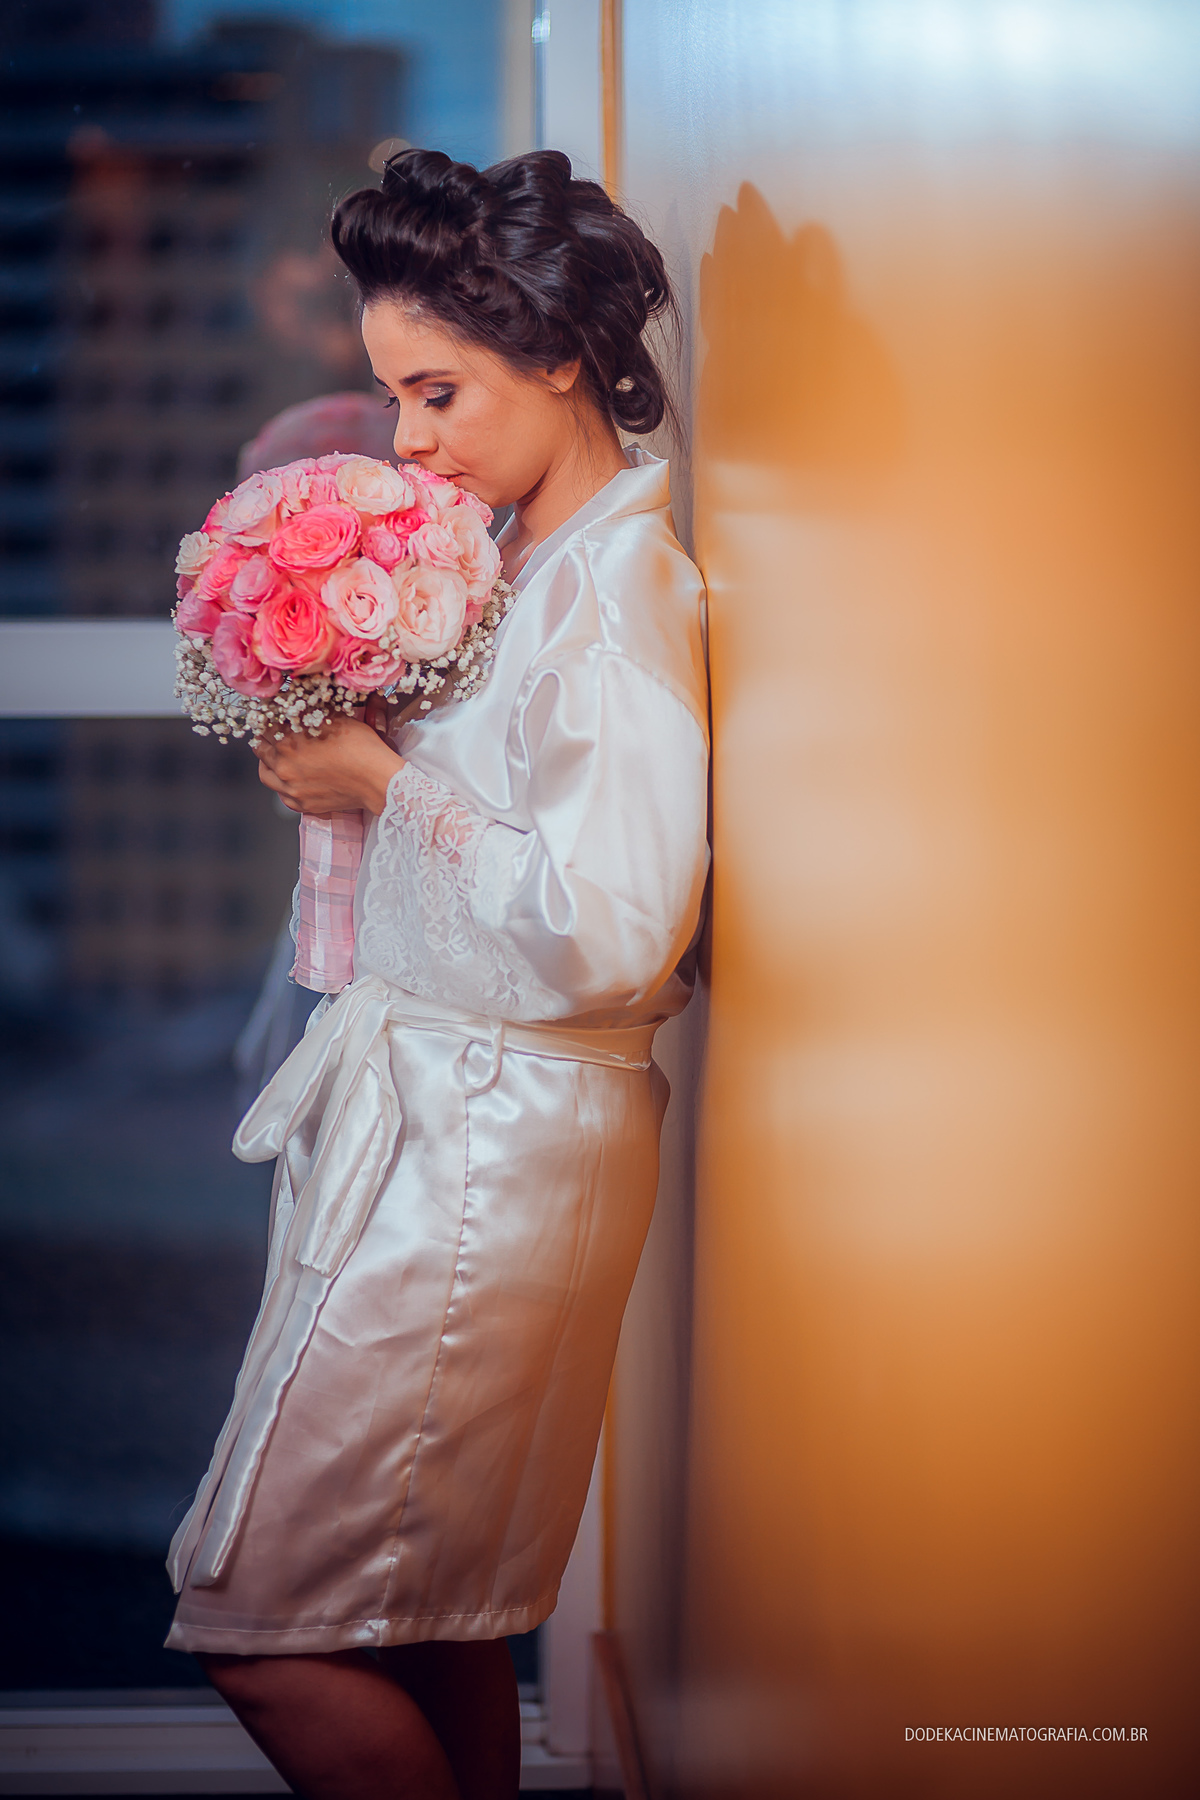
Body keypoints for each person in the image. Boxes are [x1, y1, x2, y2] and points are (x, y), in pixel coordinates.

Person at [165, 148, 710, 1800]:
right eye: (394, 393)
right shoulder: (530, 568)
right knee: (434, 1612)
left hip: (485, 1143)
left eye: (435, 391)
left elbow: (612, 928)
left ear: (558, 354)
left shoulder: (617, 607)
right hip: (456, 1118)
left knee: (263, 1628)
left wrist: (382, 785)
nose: (405, 440)